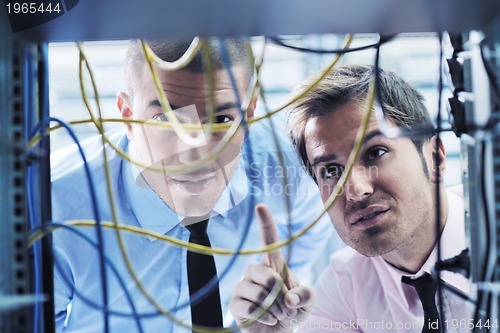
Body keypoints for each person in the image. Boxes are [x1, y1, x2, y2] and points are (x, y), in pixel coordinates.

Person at [50, 38, 332, 333]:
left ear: (249, 116)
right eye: (167, 120)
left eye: (221, 119)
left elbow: (307, 239)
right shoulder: (55, 211)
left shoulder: (294, 166)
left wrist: (273, 309)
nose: (196, 155)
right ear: (128, 118)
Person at [230, 64, 473, 332]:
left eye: (375, 153)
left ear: (435, 158)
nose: (356, 190)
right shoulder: (342, 289)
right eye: (331, 171)